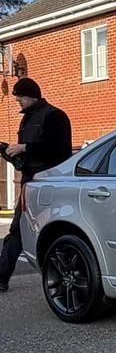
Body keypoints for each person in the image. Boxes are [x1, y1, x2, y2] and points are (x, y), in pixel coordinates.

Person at [0, 77, 72, 292]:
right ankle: (2, 277)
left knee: (53, 232)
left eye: (20, 97)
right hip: (30, 181)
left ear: (31, 95)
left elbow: (59, 150)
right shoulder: (27, 119)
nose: (18, 101)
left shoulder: (55, 116)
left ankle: (66, 279)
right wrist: (11, 153)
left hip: (50, 182)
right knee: (17, 230)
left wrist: (25, 148)